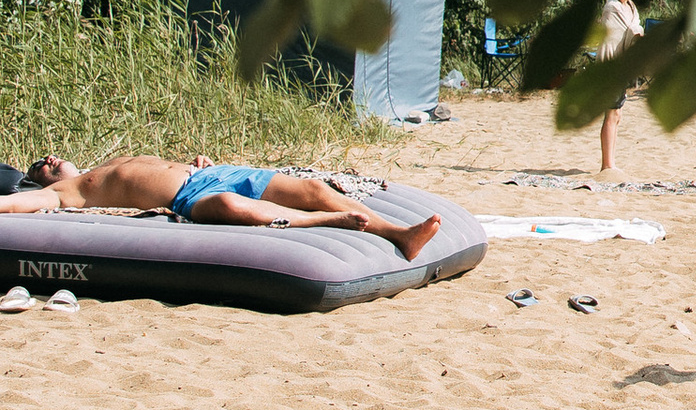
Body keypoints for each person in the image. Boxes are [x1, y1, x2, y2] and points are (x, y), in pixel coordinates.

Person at [16, 155, 441, 265]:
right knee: (226, 206)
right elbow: (16, 202)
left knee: (312, 186)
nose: (50, 162)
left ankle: (399, 234)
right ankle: (328, 221)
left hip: (212, 173)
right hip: (187, 200)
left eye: (51, 157)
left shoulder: (107, 162)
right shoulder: (67, 193)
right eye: (41, 167)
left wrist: (196, 162)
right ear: (40, 182)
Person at [597, 0, 644, 172]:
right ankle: (608, 165)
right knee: (612, 114)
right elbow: (630, 32)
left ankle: (610, 162)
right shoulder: (612, 8)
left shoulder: (631, 7)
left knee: (617, 115)